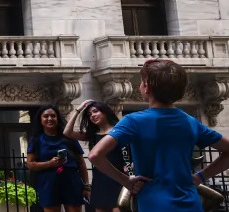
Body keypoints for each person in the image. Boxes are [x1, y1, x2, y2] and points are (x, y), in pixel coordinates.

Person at [89, 59, 229, 210]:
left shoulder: (133, 121)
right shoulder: (190, 122)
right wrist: (200, 177)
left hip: (153, 203)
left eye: (142, 81)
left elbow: (95, 155)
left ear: (146, 88)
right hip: (191, 203)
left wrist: (126, 181)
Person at [26, 104, 90, 212]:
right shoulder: (36, 140)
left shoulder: (69, 138)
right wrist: (49, 164)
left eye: (53, 116)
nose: (50, 119)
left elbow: (82, 164)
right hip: (48, 183)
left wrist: (86, 186)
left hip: (71, 182)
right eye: (46, 116)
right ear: (40, 119)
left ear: (58, 118)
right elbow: (30, 164)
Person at [64, 100, 124, 212]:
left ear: (105, 111)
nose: (92, 116)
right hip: (100, 180)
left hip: (119, 178)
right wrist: (79, 109)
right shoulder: (92, 135)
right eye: (89, 115)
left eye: (95, 111)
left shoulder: (120, 130)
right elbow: (67, 133)